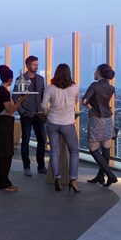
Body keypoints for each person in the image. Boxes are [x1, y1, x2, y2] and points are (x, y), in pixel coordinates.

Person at [43, 63, 81, 193]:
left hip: (52, 122)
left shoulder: (50, 88)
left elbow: (43, 106)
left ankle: (57, 178)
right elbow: (76, 102)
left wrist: (48, 112)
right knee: (74, 152)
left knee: (55, 152)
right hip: (67, 124)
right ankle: (73, 180)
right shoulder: (75, 88)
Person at [83, 63, 118, 186]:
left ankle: (110, 175)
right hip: (108, 119)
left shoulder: (95, 85)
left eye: (95, 70)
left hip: (97, 119)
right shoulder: (111, 88)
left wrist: (93, 110)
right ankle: (100, 176)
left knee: (93, 149)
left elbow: (85, 101)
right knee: (106, 147)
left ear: (99, 72)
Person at [0, 65, 28, 191]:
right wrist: (21, 101)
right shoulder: (4, 92)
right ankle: (5, 183)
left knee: (1, 154)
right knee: (6, 154)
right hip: (6, 124)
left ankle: (0, 181)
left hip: (1, 124)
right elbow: (9, 110)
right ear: (10, 79)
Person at [14, 55, 47, 177]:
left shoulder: (41, 79)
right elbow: (15, 97)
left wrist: (44, 110)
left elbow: (43, 95)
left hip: (39, 115)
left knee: (42, 141)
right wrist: (22, 111)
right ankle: (26, 167)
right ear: (28, 65)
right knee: (26, 141)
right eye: (34, 64)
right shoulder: (21, 79)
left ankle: (41, 166)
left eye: (37, 64)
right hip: (26, 115)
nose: (37, 66)